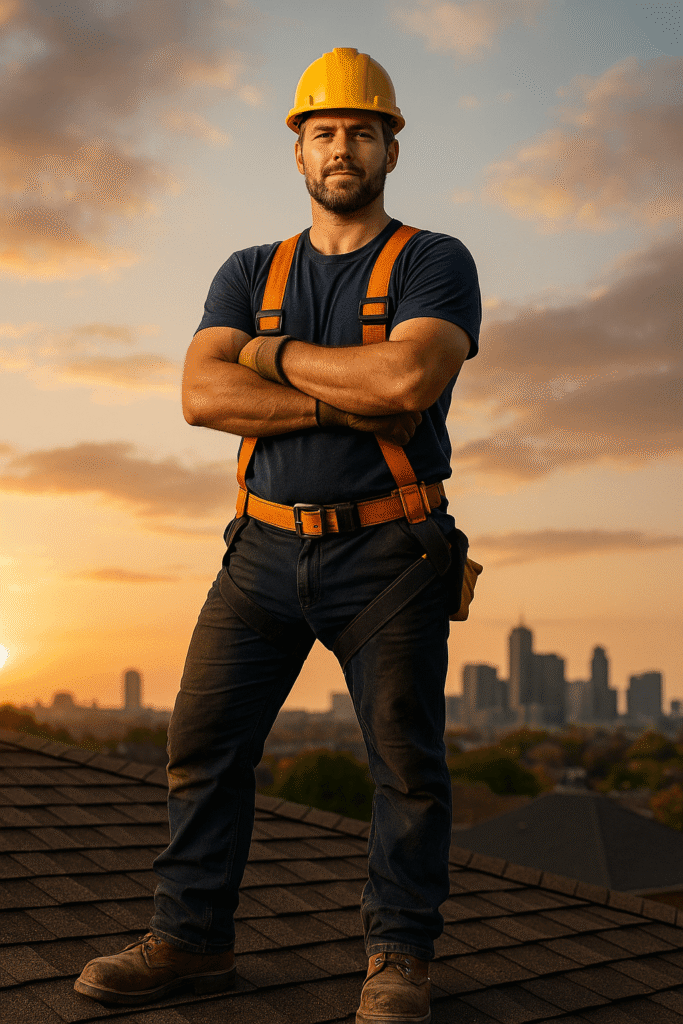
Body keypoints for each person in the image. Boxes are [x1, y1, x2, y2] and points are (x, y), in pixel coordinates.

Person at [74, 47, 481, 1024]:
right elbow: (198, 394)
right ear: (297, 151)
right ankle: (190, 938)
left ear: (390, 145)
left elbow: (405, 384)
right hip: (256, 552)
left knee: (404, 765)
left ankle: (397, 959)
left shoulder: (434, 260)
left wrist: (268, 358)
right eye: (323, 132)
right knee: (201, 746)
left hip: (388, 553)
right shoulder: (248, 270)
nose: (341, 147)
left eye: (360, 130)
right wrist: (340, 394)